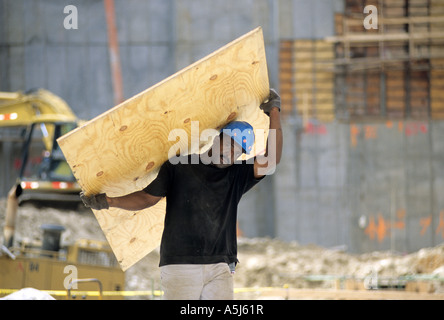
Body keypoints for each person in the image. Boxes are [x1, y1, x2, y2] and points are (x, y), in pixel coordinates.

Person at [80, 89, 283, 299]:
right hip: (180, 264)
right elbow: (147, 198)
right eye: (229, 143)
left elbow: (271, 159)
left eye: (238, 151)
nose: (230, 153)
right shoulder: (180, 166)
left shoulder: (236, 175)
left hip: (220, 266)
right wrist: (109, 201)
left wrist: (274, 111)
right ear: (216, 138)